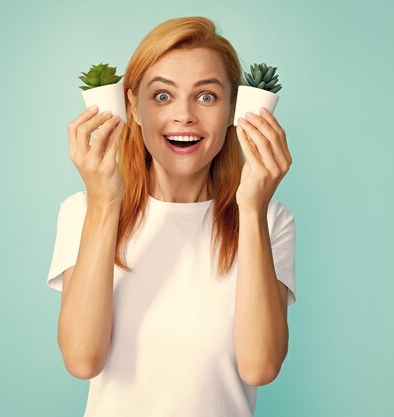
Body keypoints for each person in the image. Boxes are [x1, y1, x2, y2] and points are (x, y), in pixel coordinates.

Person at [46, 16, 296, 417]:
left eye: (206, 97)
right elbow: (81, 360)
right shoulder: (82, 211)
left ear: (234, 109)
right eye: (162, 96)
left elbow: (260, 367)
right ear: (135, 108)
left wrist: (251, 208)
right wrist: (105, 204)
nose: (184, 116)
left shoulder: (269, 220)